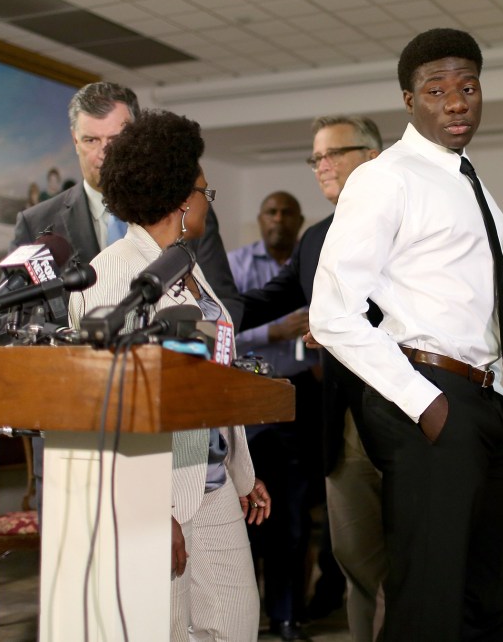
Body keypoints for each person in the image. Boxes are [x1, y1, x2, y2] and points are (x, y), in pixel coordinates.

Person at [309, 29, 503, 642]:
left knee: (500, 587)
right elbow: (331, 311)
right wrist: (423, 402)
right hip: (430, 394)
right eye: (437, 90)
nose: (457, 102)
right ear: (410, 101)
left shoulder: (470, 182)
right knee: (428, 600)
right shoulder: (388, 177)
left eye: (468, 87)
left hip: (487, 400)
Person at [66, 109, 272, 642]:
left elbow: (209, 376)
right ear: (182, 200)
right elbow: (111, 406)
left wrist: (242, 472)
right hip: (158, 493)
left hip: (210, 479)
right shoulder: (113, 274)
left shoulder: (184, 265)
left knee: (234, 625)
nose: (208, 201)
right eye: (206, 191)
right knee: (167, 630)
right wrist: (151, 510)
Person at [12, 81, 242, 518]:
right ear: (75, 142)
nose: (102, 153)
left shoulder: (188, 216)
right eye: (90, 140)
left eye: (114, 140)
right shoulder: (38, 223)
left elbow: (223, 302)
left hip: (194, 437)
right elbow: (20, 324)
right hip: (90, 438)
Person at [239, 115, 386, 642]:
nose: (320, 166)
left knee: (414, 557)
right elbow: (265, 299)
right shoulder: (316, 237)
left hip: (408, 413)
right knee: (355, 556)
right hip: (341, 419)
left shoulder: (408, 220)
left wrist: (341, 326)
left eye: (332, 154)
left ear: (370, 156)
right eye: (315, 158)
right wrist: (198, 304)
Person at [228, 191, 323, 641]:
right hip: (247, 398)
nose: (279, 219)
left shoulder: (311, 267)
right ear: (260, 219)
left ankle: (287, 616)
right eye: (271, 212)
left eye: (288, 212)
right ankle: (243, 614)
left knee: (293, 515)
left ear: (300, 220)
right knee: (244, 512)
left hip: (300, 396)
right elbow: (222, 330)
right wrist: (275, 330)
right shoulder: (238, 265)